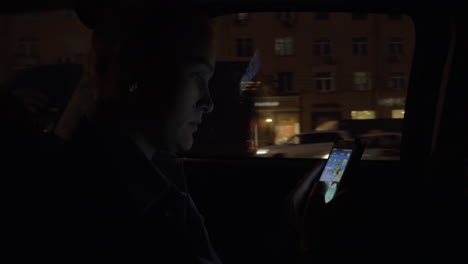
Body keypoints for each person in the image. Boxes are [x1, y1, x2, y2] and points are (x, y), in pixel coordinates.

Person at [45, 1, 221, 263]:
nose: (208, 102)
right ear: (138, 74)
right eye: (196, 76)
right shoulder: (94, 204)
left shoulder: (155, 170)